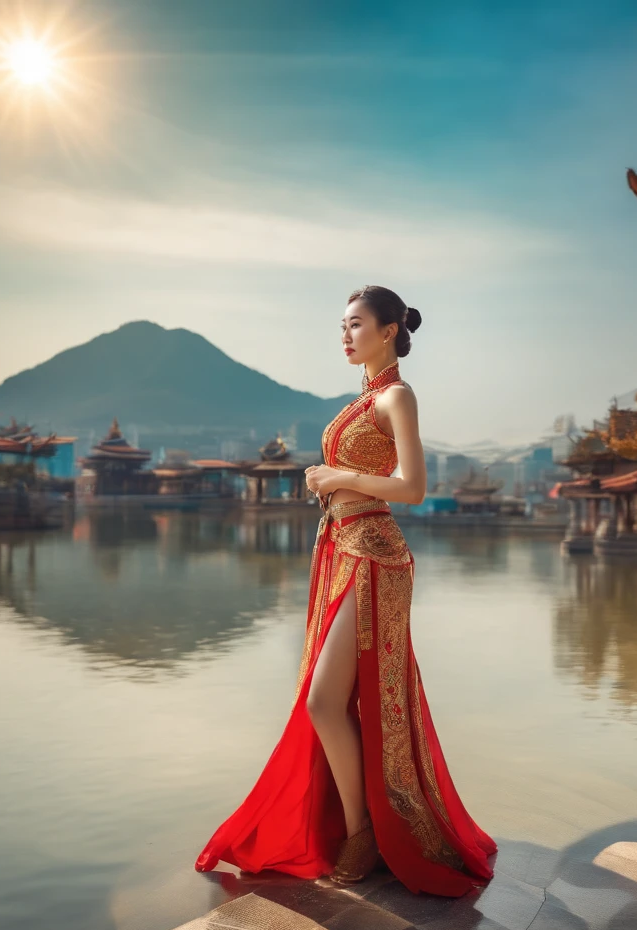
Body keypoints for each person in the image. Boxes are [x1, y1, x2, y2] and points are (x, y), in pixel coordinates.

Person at [194, 285, 497, 897]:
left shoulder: (397, 397)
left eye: (356, 324)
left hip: (375, 557)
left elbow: (411, 487)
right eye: (343, 325)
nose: (345, 334)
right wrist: (328, 484)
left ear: (387, 331)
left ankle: (369, 834)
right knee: (326, 701)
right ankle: (360, 830)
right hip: (338, 550)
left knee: (325, 702)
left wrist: (336, 476)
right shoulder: (361, 400)